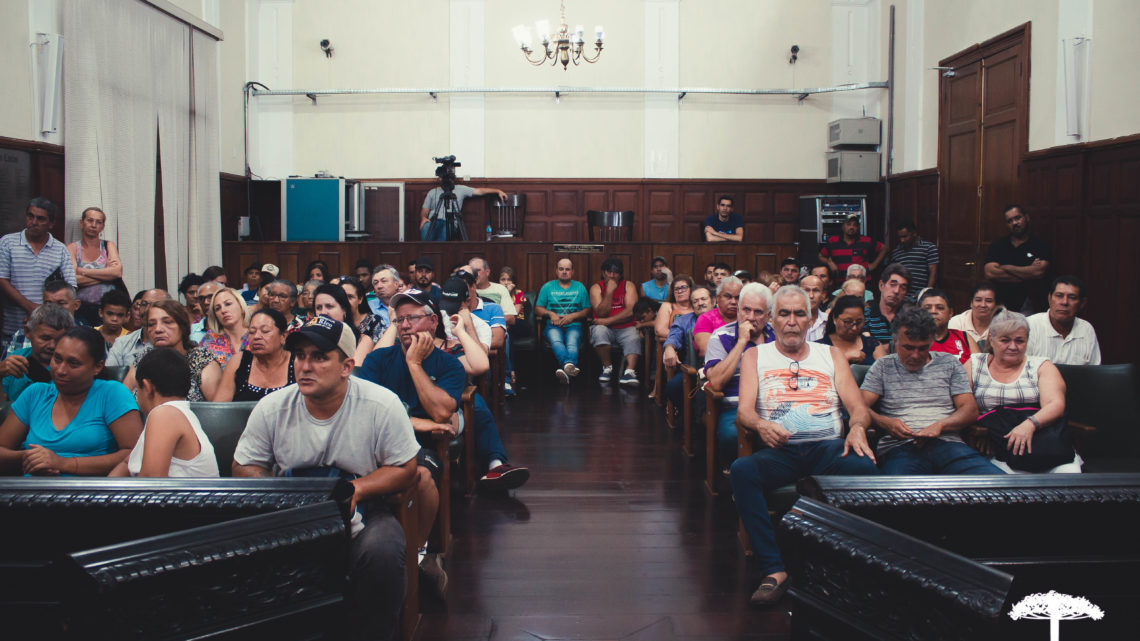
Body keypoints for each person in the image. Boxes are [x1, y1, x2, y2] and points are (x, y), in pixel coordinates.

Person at [233, 315, 419, 641]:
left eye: (319, 357)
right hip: (292, 507)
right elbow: (244, 465)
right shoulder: (272, 407)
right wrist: (280, 496)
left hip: (364, 507)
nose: (305, 366)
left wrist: (353, 490)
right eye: (300, 355)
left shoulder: (381, 404)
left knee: (383, 551)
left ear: (346, 366)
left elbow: (405, 467)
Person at [730, 286, 879, 605]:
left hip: (828, 449)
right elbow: (744, 411)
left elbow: (858, 408)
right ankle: (774, 569)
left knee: (867, 468)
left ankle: (851, 564)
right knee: (742, 471)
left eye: (800, 313)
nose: (792, 321)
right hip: (781, 452)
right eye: (784, 313)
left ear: (811, 319)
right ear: (772, 318)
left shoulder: (831, 354)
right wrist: (761, 424)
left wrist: (856, 427)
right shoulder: (756, 354)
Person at [860, 307, 1001, 475]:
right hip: (901, 447)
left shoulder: (949, 364)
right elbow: (858, 407)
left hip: (948, 444)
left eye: (922, 348)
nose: (915, 355)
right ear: (895, 340)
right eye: (908, 348)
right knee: (894, 496)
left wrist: (940, 426)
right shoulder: (883, 367)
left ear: (932, 341)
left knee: (997, 485)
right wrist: (884, 422)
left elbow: (969, 410)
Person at [0, 326, 142, 476]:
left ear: (98, 366)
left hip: (90, 495)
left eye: (73, 363)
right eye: (57, 359)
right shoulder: (35, 393)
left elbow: (134, 454)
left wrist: (63, 463)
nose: (61, 370)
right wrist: (30, 458)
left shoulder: (112, 394)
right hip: (32, 493)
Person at [964, 311, 1079, 473]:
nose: (1013, 346)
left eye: (1020, 341)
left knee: (1069, 476)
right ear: (991, 339)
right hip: (996, 448)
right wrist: (978, 428)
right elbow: (960, 405)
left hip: (1045, 444)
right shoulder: (975, 364)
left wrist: (1029, 425)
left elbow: (1055, 404)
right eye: (1005, 340)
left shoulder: (1041, 366)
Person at [109, 347, 219, 478]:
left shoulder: (165, 415)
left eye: (137, 389)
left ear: (147, 387)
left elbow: (151, 482)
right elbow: (127, 462)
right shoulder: (177, 412)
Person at [703, 283, 775, 467]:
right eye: (746, 310)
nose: (751, 317)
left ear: (768, 316)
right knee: (731, 435)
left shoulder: (778, 337)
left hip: (775, 405)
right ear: (738, 311)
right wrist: (742, 341)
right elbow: (716, 383)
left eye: (758, 312)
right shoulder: (720, 336)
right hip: (735, 407)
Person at [0, 197, 77, 348]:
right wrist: (30, 306)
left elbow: (70, 287)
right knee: (14, 368)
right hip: (13, 326)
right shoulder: (7, 243)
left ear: (51, 223)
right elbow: (2, 279)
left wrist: (44, 311)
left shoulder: (60, 249)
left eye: (40, 218)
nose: (33, 222)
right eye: (30, 216)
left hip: (49, 331)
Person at [125, 300, 220, 402]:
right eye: (151, 324)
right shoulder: (143, 358)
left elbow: (217, 411)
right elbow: (121, 402)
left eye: (167, 322)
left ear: (182, 327)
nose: (158, 329)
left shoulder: (201, 360)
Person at [213, 308, 295, 402]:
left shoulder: (297, 363)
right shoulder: (238, 362)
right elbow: (219, 409)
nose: (256, 337)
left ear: (283, 336)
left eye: (265, 331)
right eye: (252, 332)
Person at [984, 205, 1051, 314]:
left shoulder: (1040, 245)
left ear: (1027, 218)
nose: (1014, 223)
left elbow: (1039, 272)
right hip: (1001, 302)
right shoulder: (997, 245)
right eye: (1010, 221)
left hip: (1030, 303)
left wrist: (1006, 267)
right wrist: (1027, 273)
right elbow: (990, 273)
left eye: (1017, 218)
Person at [1, 303, 72, 402]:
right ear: (28, 332)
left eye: (59, 339)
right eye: (45, 338)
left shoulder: (69, 368)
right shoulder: (15, 359)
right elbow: (2, 404)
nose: (52, 346)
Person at [535, 258, 591, 384]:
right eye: (561, 269)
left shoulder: (580, 287)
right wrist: (550, 313)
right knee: (556, 341)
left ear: (573, 271)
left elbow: (587, 310)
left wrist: (573, 316)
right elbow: (538, 309)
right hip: (553, 325)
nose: (564, 272)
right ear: (556, 271)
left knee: (572, 342)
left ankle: (565, 370)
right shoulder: (547, 287)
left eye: (567, 269)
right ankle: (569, 365)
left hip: (574, 325)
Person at [589, 257, 641, 387]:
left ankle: (629, 371)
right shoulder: (596, 288)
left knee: (634, 336)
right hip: (604, 328)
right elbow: (600, 312)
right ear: (603, 273)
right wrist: (609, 292)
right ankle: (607, 368)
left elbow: (631, 311)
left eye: (615, 272)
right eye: (608, 272)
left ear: (620, 274)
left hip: (626, 326)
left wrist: (608, 321)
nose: (612, 275)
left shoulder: (628, 285)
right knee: (599, 331)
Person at [1026, 275, 1101, 365]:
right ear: (1049, 299)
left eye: (1072, 297)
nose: (1064, 302)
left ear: (1082, 303)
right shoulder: (1029, 326)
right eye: (1059, 296)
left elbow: (1094, 372)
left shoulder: (1086, 329)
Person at [69, 206, 123, 326]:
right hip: (80, 309)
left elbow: (117, 273)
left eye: (98, 222)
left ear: (103, 227)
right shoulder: (72, 248)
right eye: (90, 220)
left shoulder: (108, 246)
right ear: (81, 223)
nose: (94, 225)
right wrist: (105, 274)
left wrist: (82, 271)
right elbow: (72, 279)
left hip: (107, 309)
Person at [662, 285, 713, 410]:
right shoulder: (684, 320)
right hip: (691, 370)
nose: (700, 303)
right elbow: (673, 336)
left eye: (703, 299)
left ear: (714, 301)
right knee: (672, 387)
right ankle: (690, 415)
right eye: (695, 301)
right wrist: (669, 347)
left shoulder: (722, 318)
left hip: (719, 369)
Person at [814, 295, 888, 366]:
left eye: (859, 322)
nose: (854, 328)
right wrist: (845, 358)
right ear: (835, 319)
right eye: (848, 322)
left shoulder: (873, 345)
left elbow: (886, 372)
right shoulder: (819, 347)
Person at [106, 289, 171, 367]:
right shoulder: (122, 343)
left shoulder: (173, 342)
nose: (146, 310)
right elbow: (110, 376)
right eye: (144, 304)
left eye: (154, 305)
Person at [420, 182, 508, 241]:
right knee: (425, 228)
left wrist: (497, 190)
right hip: (432, 222)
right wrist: (423, 218)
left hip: (449, 222)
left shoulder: (460, 189)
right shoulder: (432, 192)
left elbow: (480, 191)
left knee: (442, 238)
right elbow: (425, 210)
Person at [314, 284, 374, 364]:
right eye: (318, 308)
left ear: (344, 310)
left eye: (329, 306)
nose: (323, 312)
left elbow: (352, 373)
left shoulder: (362, 340)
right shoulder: (308, 339)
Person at [919, 288, 978, 364]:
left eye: (940, 308)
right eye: (927, 308)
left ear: (950, 313)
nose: (933, 311)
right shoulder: (911, 339)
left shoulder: (964, 337)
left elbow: (979, 370)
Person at [819, 213, 886, 279]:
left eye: (855, 225)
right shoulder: (833, 241)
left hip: (861, 281)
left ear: (858, 228)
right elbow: (820, 256)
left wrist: (874, 265)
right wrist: (829, 262)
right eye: (848, 224)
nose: (851, 227)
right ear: (843, 227)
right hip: (840, 282)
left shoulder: (866, 241)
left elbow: (884, 248)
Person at [886, 220, 939, 296]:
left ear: (914, 233)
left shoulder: (929, 248)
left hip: (921, 294)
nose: (902, 240)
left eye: (905, 236)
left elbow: (933, 273)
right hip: (901, 295)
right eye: (900, 237)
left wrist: (927, 293)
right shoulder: (896, 251)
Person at [198, 287, 249, 367]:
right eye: (218, 308)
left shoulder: (256, 335)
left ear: (241, 305)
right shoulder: (210, 339)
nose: (223, 310)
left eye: (228, 304)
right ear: (215, 316)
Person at [693, 277, 741, 357]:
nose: (733, 302)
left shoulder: (746, 318)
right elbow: (708, 352)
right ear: (718, 298)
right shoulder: (705, 319)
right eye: (728, 297)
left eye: (737, 298)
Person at [864, 263, 910, 345]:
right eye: (893, 284)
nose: (896, 291)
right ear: (881, 285)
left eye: (903, 287)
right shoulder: (866, 315)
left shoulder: (909, 317)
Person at [949, 282, 1000, 351]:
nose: (983, 305)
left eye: (989, 301)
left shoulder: (1002, 325)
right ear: (971, 303)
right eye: (978, 300)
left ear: (995, 305)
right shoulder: (956, 323)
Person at [467, 257, 516, 326]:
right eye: (471, 271)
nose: (474, 274)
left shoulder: (500, 289)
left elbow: (511, 318)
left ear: (487, 272)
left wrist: (483, 323)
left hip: (494, 331)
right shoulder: (464, 289)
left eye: (477, 270)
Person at [339, 277, 383, 343]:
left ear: (360, 299)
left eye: (350, 297)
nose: (346, 301)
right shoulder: (334, 322)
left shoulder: (374, 321)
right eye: (342, 296)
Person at [654, 275, 695, 341]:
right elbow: (660, 330)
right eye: (676, 289)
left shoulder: (696, 306)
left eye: (683, 287)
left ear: (691, 289)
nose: (680, 291)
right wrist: (686, 338)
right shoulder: (667, 306)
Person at [369, 265, 402, 330]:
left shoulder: (407, 304)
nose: (379, 286)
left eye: (384, 281)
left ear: (396, 284)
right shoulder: (368, 307)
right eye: (376, 283)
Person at [799, 275, 828, 342]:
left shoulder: (828, 321)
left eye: (815, 290)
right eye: (807, 290)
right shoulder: (790, 321)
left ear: (823, 295)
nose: (811, 295)